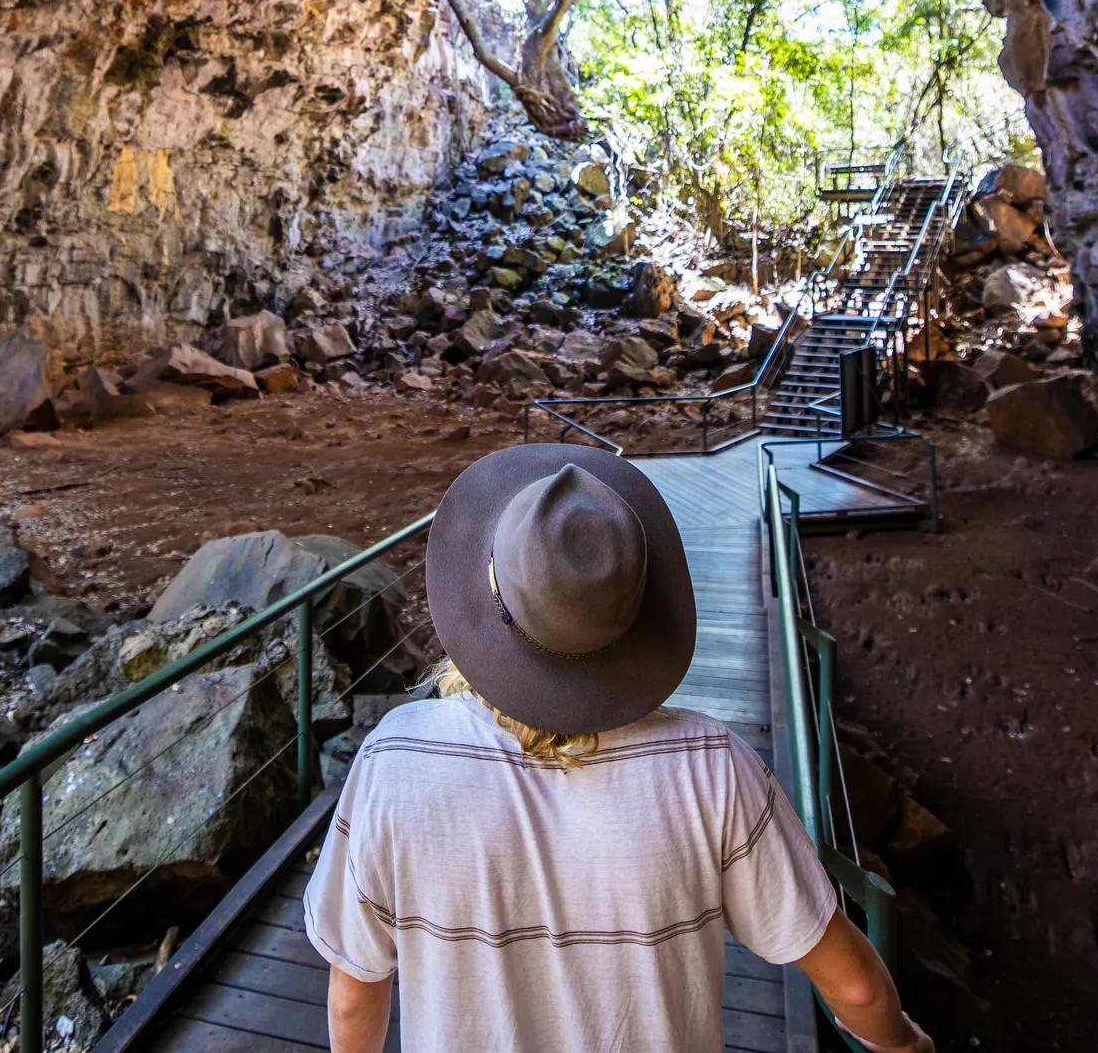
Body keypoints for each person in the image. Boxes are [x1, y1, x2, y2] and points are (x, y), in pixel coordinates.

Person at [303, 444, 934, 1053]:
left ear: (486, 587)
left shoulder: (396, 761)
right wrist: (903, 1043)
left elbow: (354, 990)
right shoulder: (712, 768)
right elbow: (852, 983)